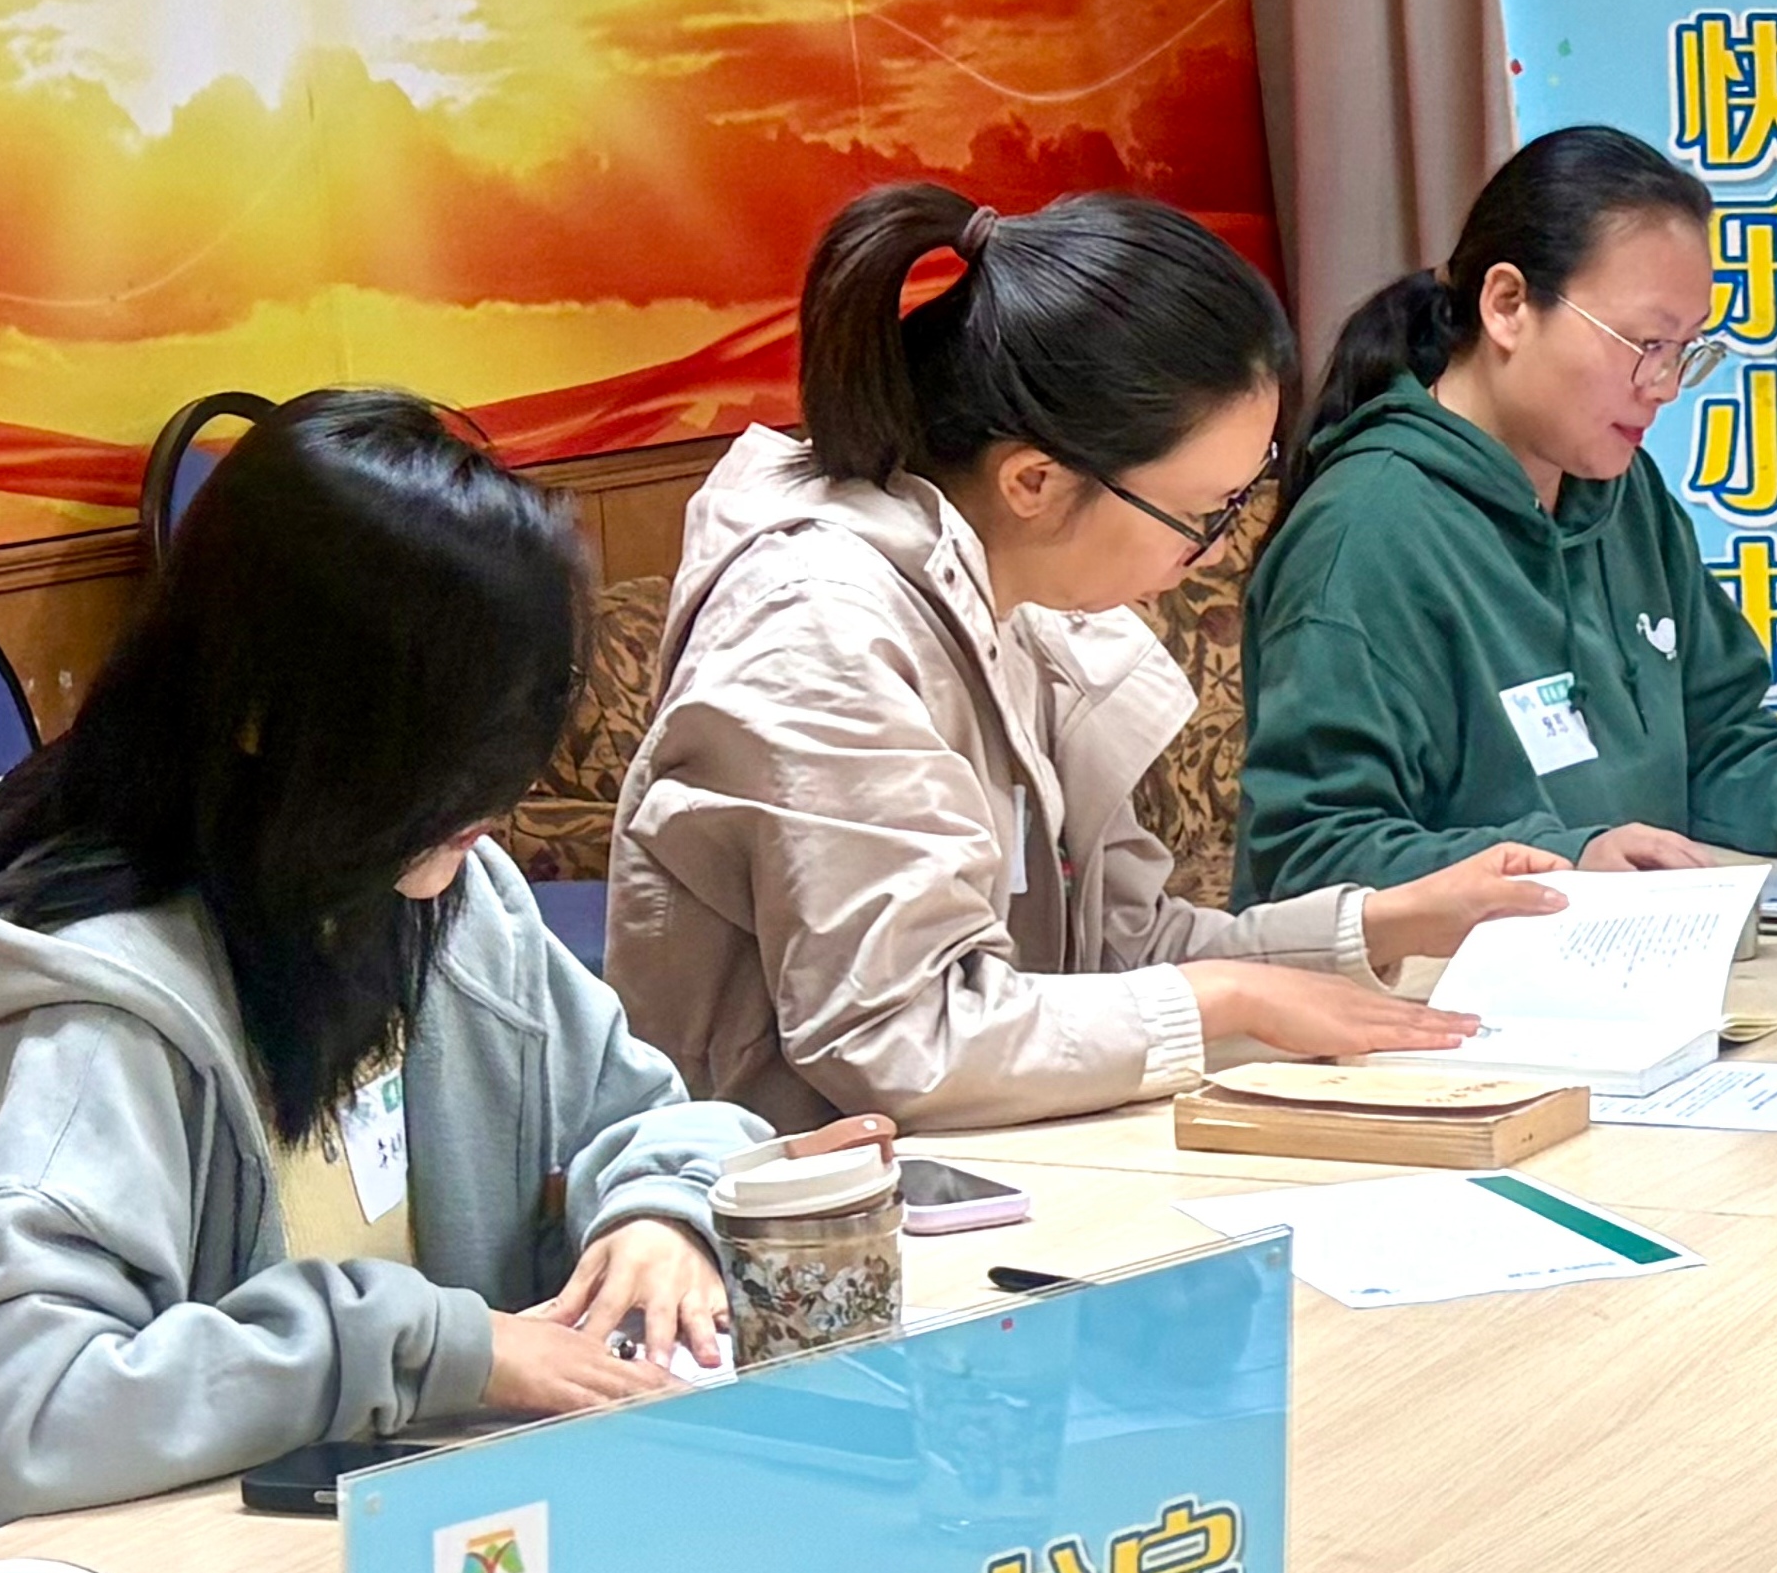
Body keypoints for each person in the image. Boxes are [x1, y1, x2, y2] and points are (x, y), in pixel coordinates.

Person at [0, 394, 786, 1573]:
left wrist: (661, 1213)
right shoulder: (97, 1016)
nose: (498, 807)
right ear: (264, 717)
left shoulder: (444, 897)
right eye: (449, 753)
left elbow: (651, 1117)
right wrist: (425, 1345)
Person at [610, 183, 1561, 1134]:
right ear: (1034, 481)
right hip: (806, 1186)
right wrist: (1223, 998)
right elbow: (905, 1036)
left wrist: (1386, 921)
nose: (1217, 554)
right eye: (1203, 515)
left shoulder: (1017, 595)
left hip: (994, 1147)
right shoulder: (818, 631)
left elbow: (1111, 948)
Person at [1238, 126, 1777, 894]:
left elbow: (1718, 743)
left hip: (1636, 947)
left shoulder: (1621, 493)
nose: (1666, 386)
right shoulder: (1365, 535)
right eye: (1644, 344)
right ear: (1507, 305)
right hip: (1459, 966)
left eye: (1685, 350)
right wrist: (1572, 863)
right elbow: (1311, 858)